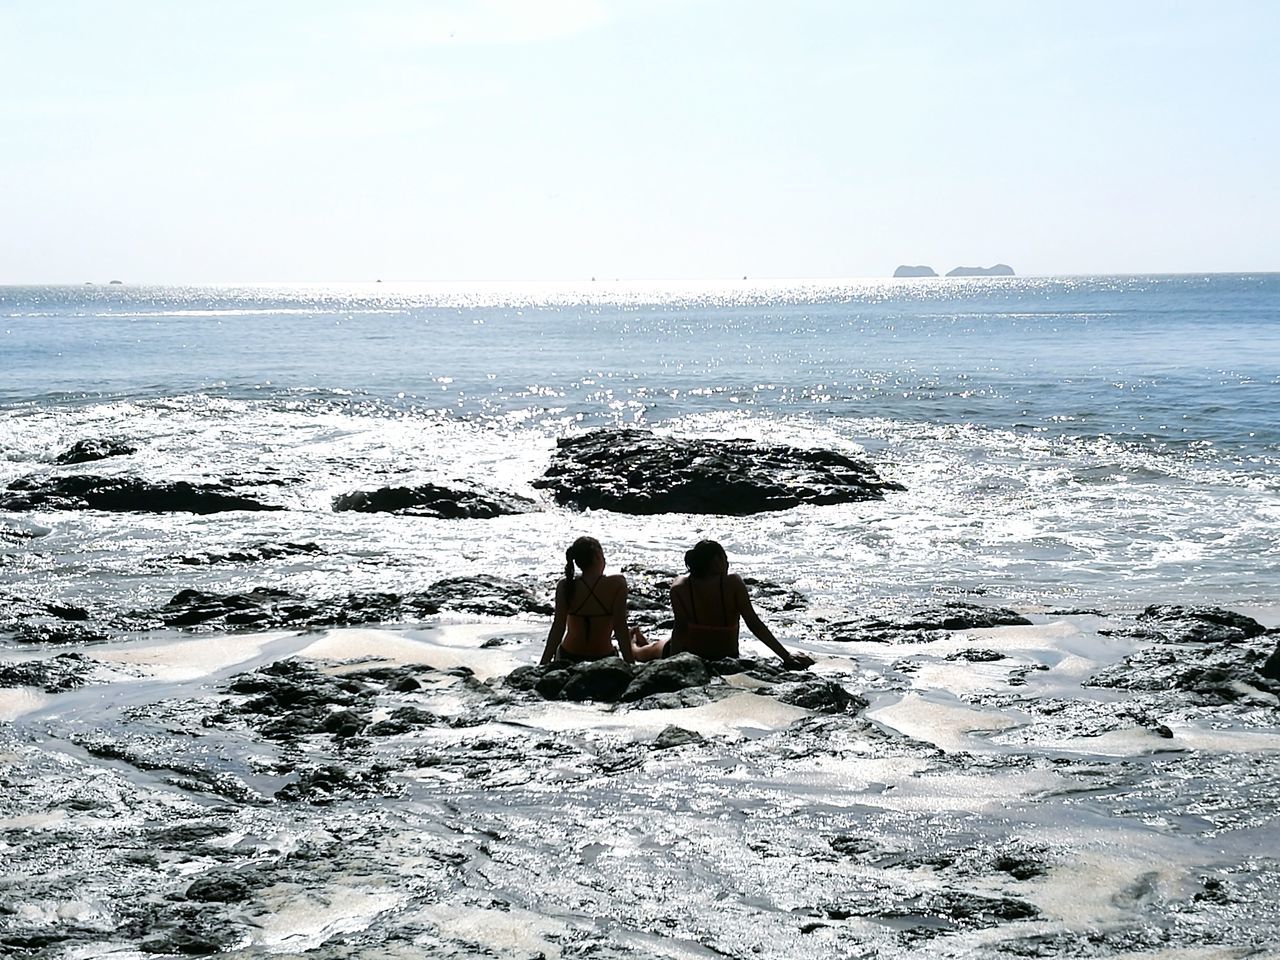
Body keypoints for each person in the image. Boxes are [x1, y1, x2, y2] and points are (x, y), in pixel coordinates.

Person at [633, 539, 814, 668]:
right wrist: (786, 656)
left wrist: (673, 662)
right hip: (726, 656)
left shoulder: (680, 586)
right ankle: (631, 638)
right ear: (716, 562)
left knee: (650, 650)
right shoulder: (732, 583)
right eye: (724, 558)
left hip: (689, 653)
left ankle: (638, 641)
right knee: (641, 652)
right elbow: (754, 624)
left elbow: (680, 629)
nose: (727, 563)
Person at [541, 536, 640, 665]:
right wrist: (630, 664)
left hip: (568, 656)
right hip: (603, 657)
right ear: (598, 556)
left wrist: (543, 665)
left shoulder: (565, 585)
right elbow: (620, 626)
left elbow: (558, 628)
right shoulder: (617, 584)